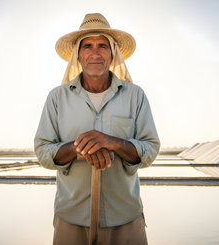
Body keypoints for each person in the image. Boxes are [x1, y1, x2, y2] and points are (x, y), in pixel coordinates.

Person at [34, 13, 160, 245]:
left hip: (125, 218)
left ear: (113, 54)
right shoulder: (57, 98)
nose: (95, 52)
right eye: (88, 46)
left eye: (102, 45)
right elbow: (43, 151)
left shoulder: (135, 96)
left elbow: (150, 148)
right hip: (71, 218)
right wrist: (77, 148)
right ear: (78, 55)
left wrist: (113, 142)